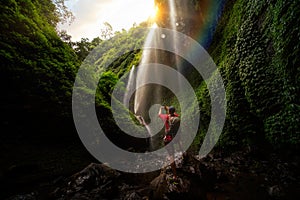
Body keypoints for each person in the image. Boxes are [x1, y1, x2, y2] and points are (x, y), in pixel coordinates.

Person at [158, 105, 180, 179]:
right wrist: (167, 108)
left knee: (171, 156)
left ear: (168, 112)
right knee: (179, 143)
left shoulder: (166, 117)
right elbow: (172, 112)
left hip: (168, 139)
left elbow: (159, 115)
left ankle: (175, 175)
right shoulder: (176, 117)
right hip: (175, 138)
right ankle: (184, 155)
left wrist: (161, 108)